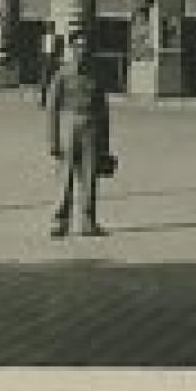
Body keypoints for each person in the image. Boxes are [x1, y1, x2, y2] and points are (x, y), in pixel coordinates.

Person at [44, 14, 110, 238]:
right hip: (68, 125)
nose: (82, 50)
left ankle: (88, 222)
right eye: (78, 45)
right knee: (65, 175)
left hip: (91, 127)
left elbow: (103, 110)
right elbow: (52, 109)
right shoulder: (62, 75)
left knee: (90, 177)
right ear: (72, 47)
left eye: (86, 46)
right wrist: (52, 140)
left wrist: (105, 144)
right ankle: (59, 222)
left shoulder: (96, 75)